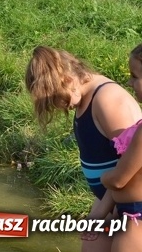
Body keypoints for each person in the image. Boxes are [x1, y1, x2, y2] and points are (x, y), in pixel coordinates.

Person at [26, 45, 142, 252]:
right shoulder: (86, 99)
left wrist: (101, 214)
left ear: (68, 80)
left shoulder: (108, 101)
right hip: (110, 202)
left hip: (126, 207)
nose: (60, 106)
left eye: (57, 98)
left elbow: (131, 172)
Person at [100, 43, 142, 251]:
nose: (129, 82)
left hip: (136, 223)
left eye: (135, 76)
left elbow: (118, 180)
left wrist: (104, 177)